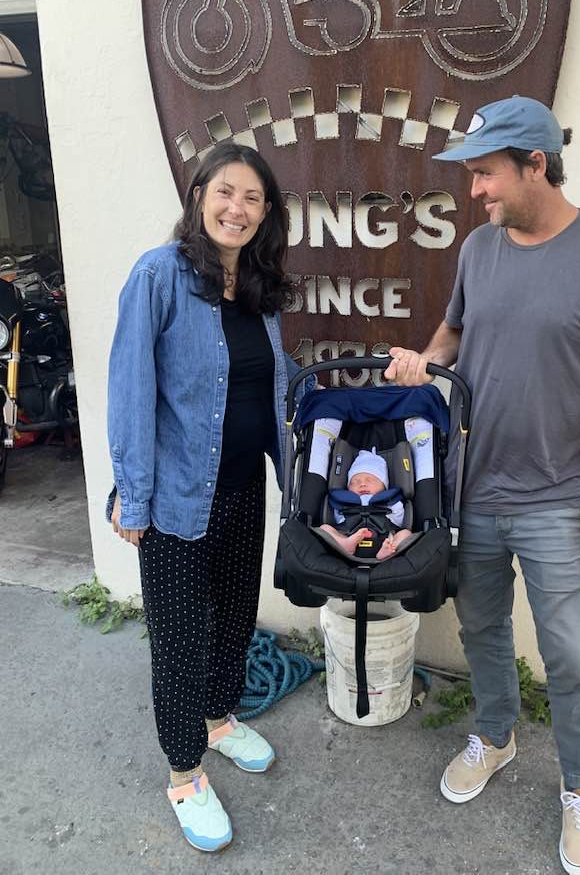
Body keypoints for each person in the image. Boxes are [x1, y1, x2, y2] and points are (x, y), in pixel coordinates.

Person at [385, 96, 580, 875]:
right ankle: (497, 736)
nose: (476, 192)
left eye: (486, 174)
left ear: (536, 164)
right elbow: (456, 333)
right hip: (471, 490)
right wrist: (423, 360)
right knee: (482, 632)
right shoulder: (479, 250)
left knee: (570, 654)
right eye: (473, 176)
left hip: (554, 501)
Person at [107, 141, 313, 853]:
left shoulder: (255, 285)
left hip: (241, 486)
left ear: (266, 214)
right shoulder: (158, 277)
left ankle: (220, 719)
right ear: (199, 196)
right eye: (226, 192)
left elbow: (268, 377)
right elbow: (131, 390)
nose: (238, 208)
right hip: (174, 500)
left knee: (233, 614)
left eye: (253, 198)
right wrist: (132, 498)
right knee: (180, 638)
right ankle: (183, 771)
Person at [319, 447, 413, 558]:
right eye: (355, 481)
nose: (362, 484)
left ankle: (387, 550)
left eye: (370, 480)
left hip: (384, 538)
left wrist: (394, 508)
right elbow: (339, 521)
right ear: (348, 487)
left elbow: (398, 521)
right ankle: (345, 543)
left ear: (384, 485)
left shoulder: (389, 501)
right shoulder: (344, 501)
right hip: (349, 534)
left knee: (405, 533)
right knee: (325, 528)